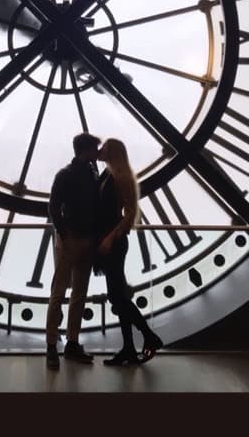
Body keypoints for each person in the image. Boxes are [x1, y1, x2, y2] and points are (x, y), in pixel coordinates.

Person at [95, 137, 163, 366]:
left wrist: (108, 238)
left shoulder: (111, 177)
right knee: (119, 296)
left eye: (103, 147)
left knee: (117, 296)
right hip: (114, 242)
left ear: (111, 152)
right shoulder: (118, 176)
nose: (99, 150)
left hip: (111, 242)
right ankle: (131, 347)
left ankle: (144, 339)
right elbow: (129, 214)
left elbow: (128, 214)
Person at [46, 132, 101, 370]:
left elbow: (53, 207)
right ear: (86, 151)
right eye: (94, 150)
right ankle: (72, 341)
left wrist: (63, 232)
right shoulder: (92, 174)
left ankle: (51, 347)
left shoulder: (65, 175)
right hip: (85, 240)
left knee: (58, 293)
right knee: (78, 294)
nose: (97, 154)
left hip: (69, 240)